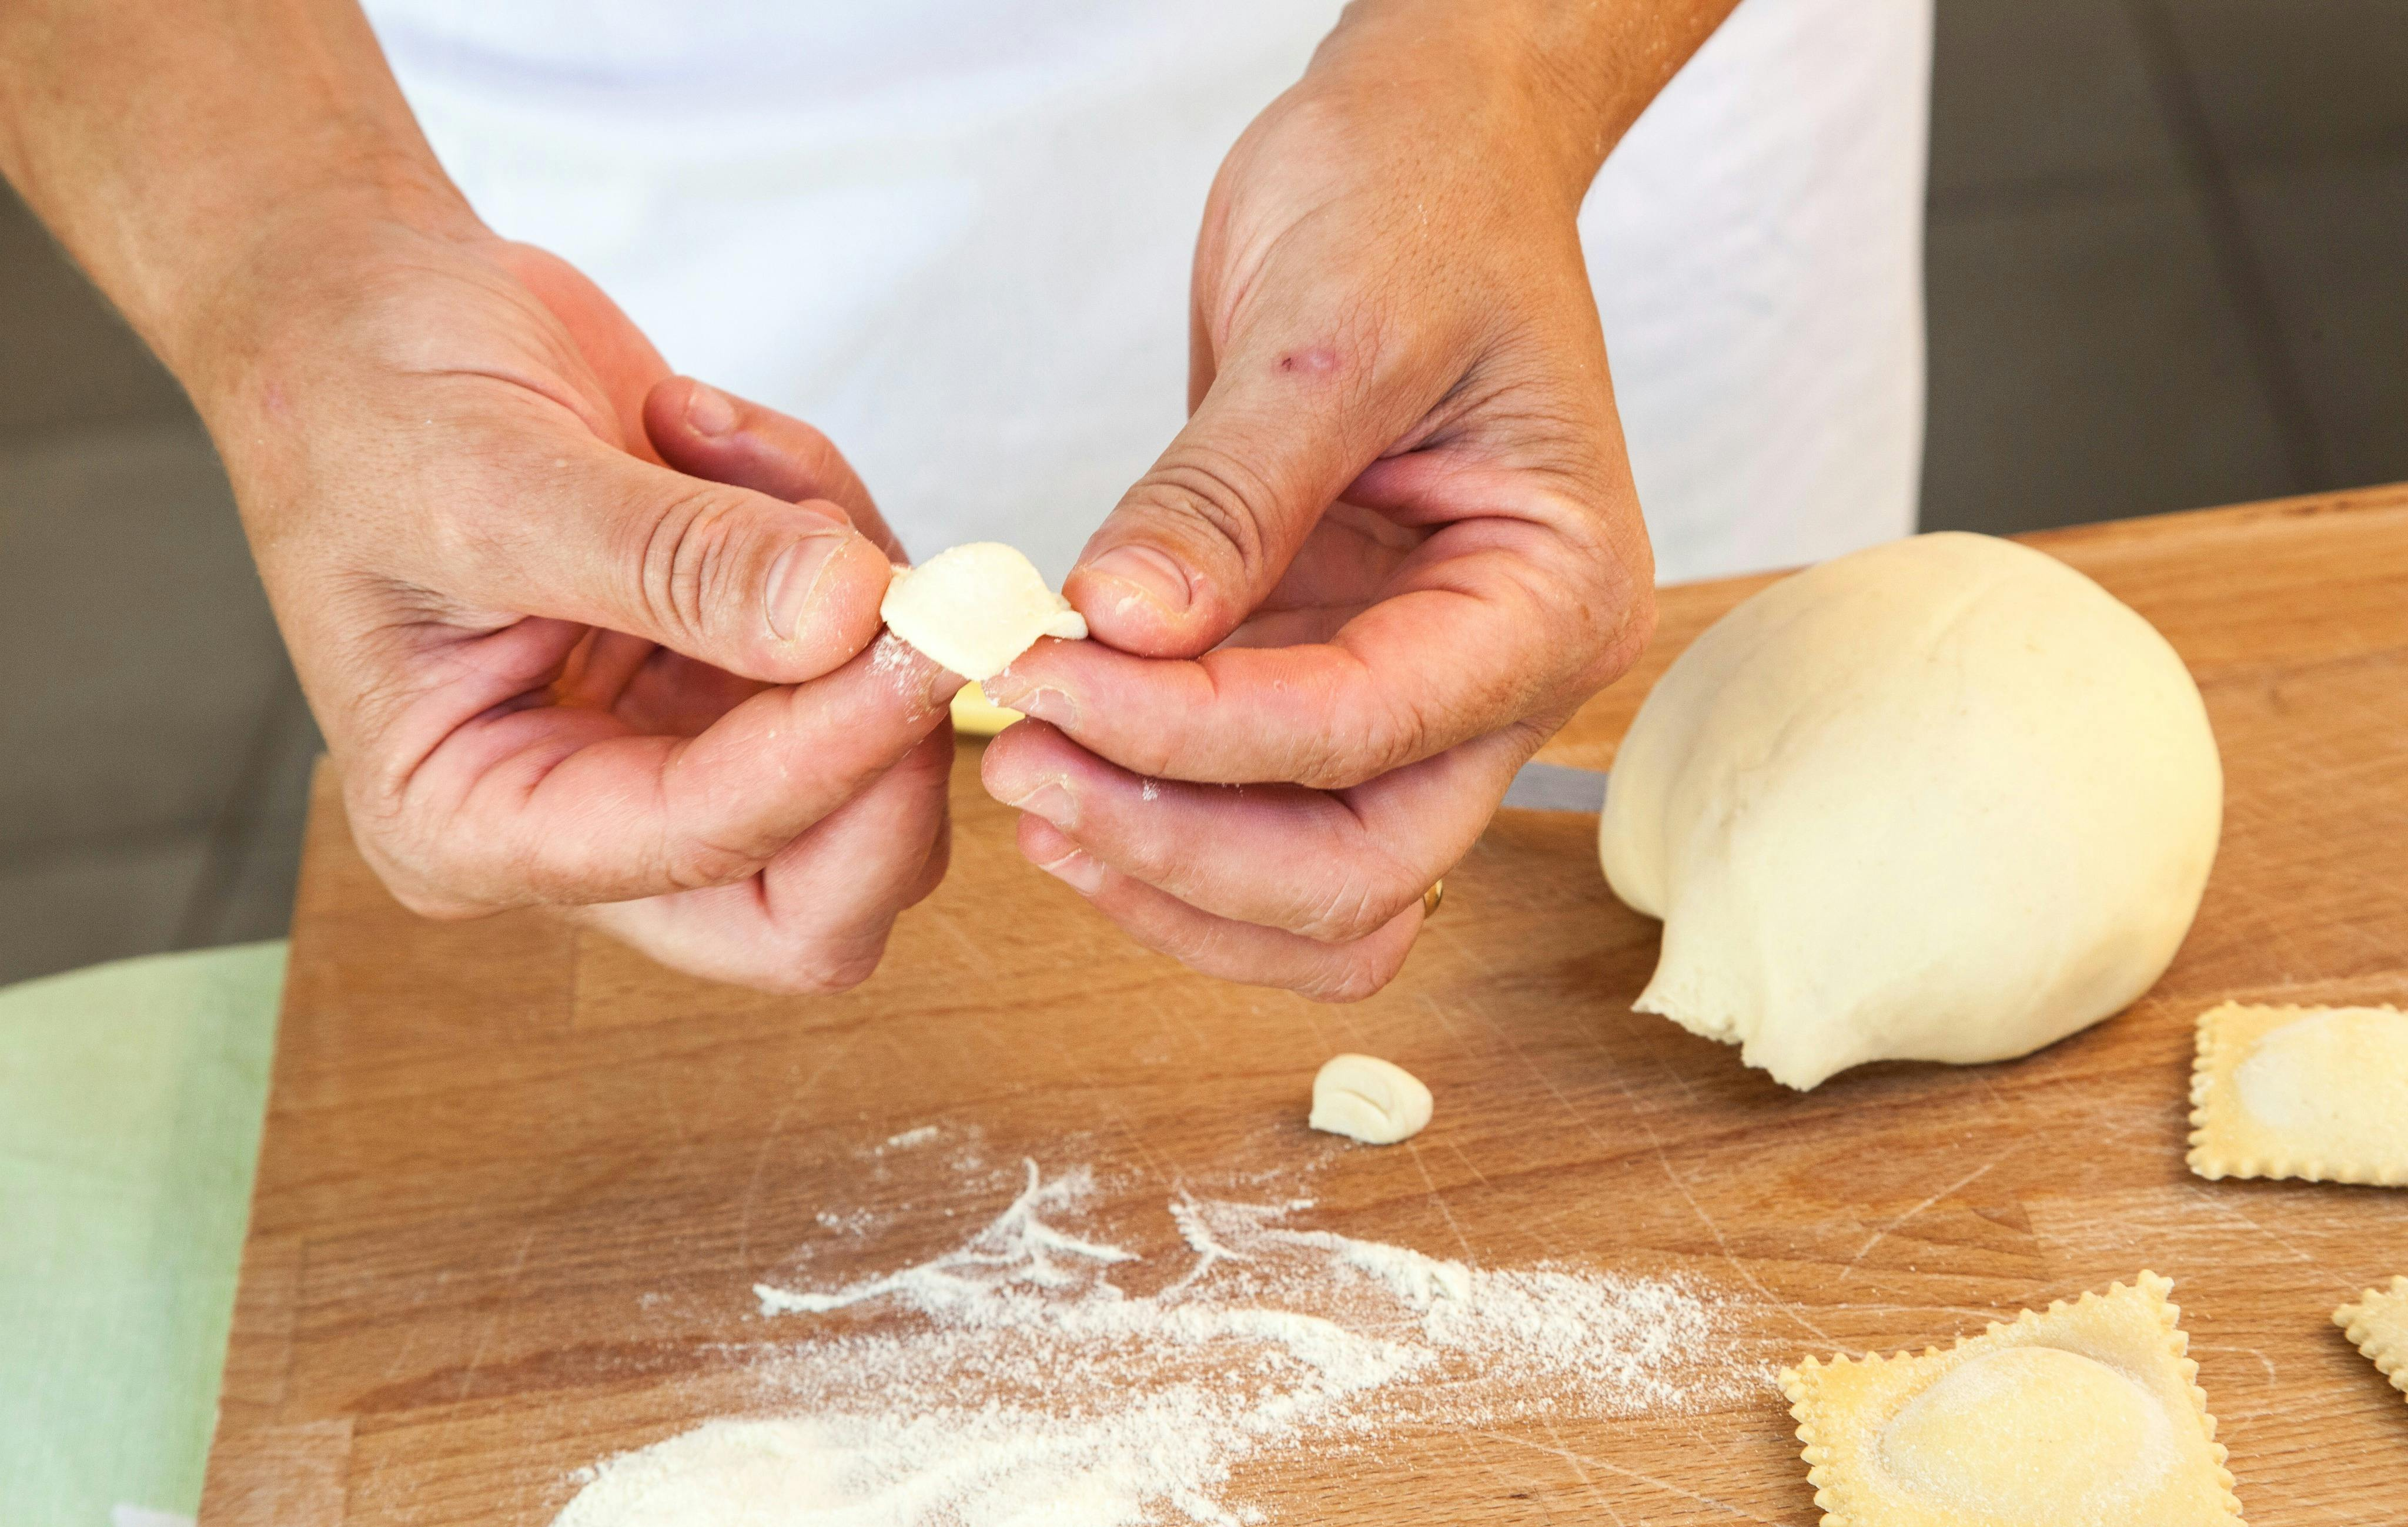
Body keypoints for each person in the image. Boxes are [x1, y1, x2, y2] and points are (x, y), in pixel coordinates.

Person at [0, 0, 1928, 1002]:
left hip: (1564, 139)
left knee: (1757, 813)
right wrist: (293, 256)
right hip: (565, 195)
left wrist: (1502, 82)